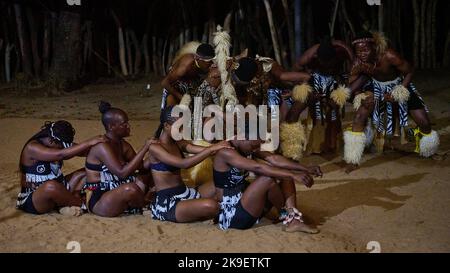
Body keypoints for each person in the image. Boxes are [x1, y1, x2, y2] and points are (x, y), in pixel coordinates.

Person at [344, 31, 440, 173]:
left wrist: (399, 91)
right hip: (375, 87)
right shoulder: (358, 63)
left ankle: (428, 150)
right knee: (359, 117)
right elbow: (352, 84)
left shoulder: (389, 56)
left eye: (365, 50)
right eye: (358, 51)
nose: (362, 53)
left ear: (374, 47)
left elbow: (409, 71)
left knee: (424, 122)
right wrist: (361, 96)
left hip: (398, 85)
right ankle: (353, 160)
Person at [212, 124, 322, 233]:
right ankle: (288, 217)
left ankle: (293, 220)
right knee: (268, 178)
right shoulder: (226, 152)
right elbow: (258, 167)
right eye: (254, 146)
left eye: (258, 146)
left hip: (247, 204)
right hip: (233, 215)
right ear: (243, 137)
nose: (255, 150)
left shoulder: (247, 146)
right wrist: (293, 175)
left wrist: (305, 168)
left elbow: (274, 159)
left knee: (283, 174)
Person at [145, 106, 232, 223]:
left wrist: (220, 147)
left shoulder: (177, 141)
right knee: (212, 206)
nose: (182, 131)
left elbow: (195, 148)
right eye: (179, 128)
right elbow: (184, 164)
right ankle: (214, 210)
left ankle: (207, 209)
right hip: (168, 202)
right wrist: (211, 150)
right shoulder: (155, 148)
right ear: (166, 126)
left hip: (186, 192)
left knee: (223, 181)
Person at [17, 120, 105, 215]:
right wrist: (89, 142)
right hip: (36, 198)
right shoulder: (32, 147)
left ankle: (65, 204)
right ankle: (83, 204)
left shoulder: (57, 143)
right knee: (51, 186)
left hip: (61, 188)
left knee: (87, 172)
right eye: (61, 146)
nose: (63, 147)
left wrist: (105, 150)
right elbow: (60, 154)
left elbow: (83, 151)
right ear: (51, 140)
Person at [285, 36, 355, 156]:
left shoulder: (343, 51)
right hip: (314, 79)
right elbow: (295, 71)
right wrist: (305, 88)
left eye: (330, 63)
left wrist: (342, 92)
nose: (327, 66)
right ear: (318, 58)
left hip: (336, 80)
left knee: (332, 111)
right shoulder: (310, 56)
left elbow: (354, 72)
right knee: (295, 110)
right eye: (324, 63)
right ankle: (291, 147)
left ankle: (331, 143)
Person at [84, 102, 153, 217]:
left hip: (123, 189)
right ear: (111, 127)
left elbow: (140, 166)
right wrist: (145, 148)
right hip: (102, 199)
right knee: (130, 189)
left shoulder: (122, 144)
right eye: (124, 123)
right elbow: (122, 173)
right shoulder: (102, 146)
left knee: (151, 168)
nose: (128, 126)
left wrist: (154, 154)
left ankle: (142, 202)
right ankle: (146, 204)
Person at [161, 42, 216, 109]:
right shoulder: (185, 67)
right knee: (169, 114)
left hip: (189, 84)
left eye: (212, 60)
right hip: (173, 86)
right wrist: (181, 97)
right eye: (209, 61)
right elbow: (164, 83)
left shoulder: (204, 65)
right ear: (198, 59)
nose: (211, 64)